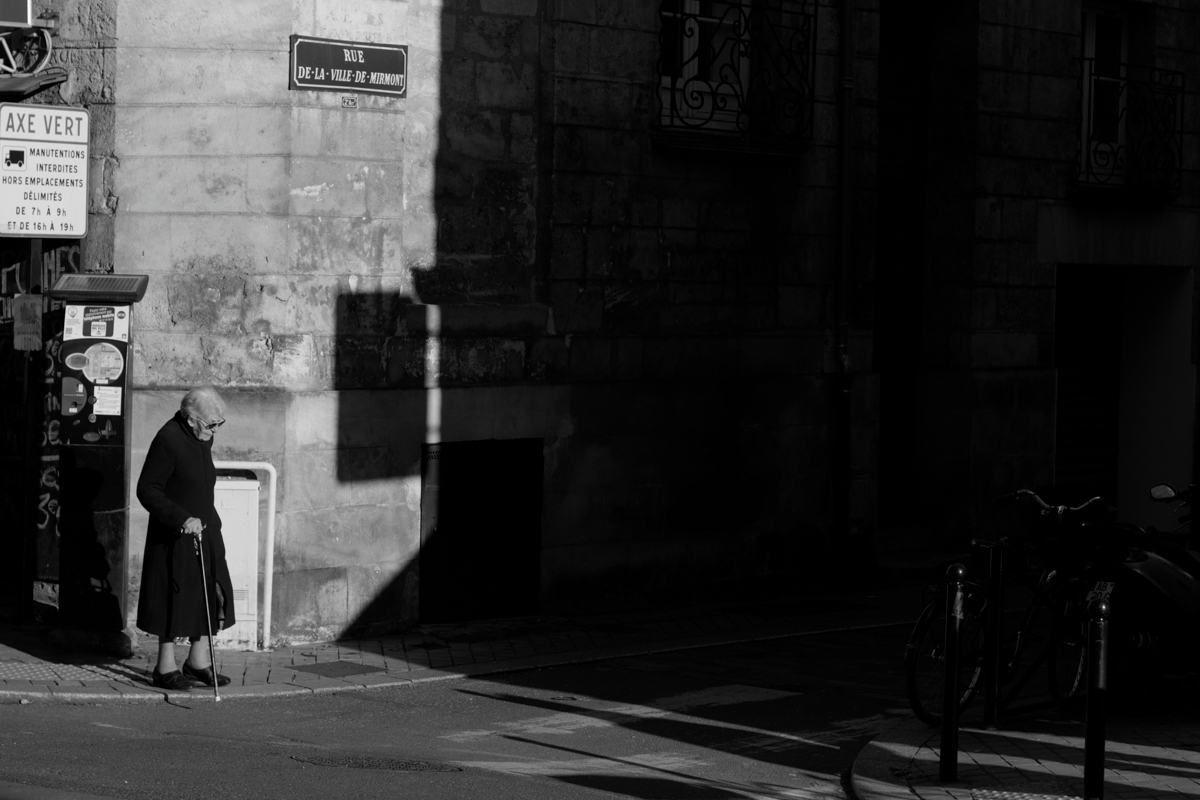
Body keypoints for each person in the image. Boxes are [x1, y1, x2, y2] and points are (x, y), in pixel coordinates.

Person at [136, 387, 236, 690]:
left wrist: (209, 521)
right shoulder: (168, 439)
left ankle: (198, 661)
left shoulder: (203, 434)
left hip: (206, 530)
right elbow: (148, 489)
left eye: (219, 424)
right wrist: (181, 518)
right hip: (175, 534)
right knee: (173, 599)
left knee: (210, 594)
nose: (214, 430)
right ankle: (164, 667)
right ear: (190, 418)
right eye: (209, 424)